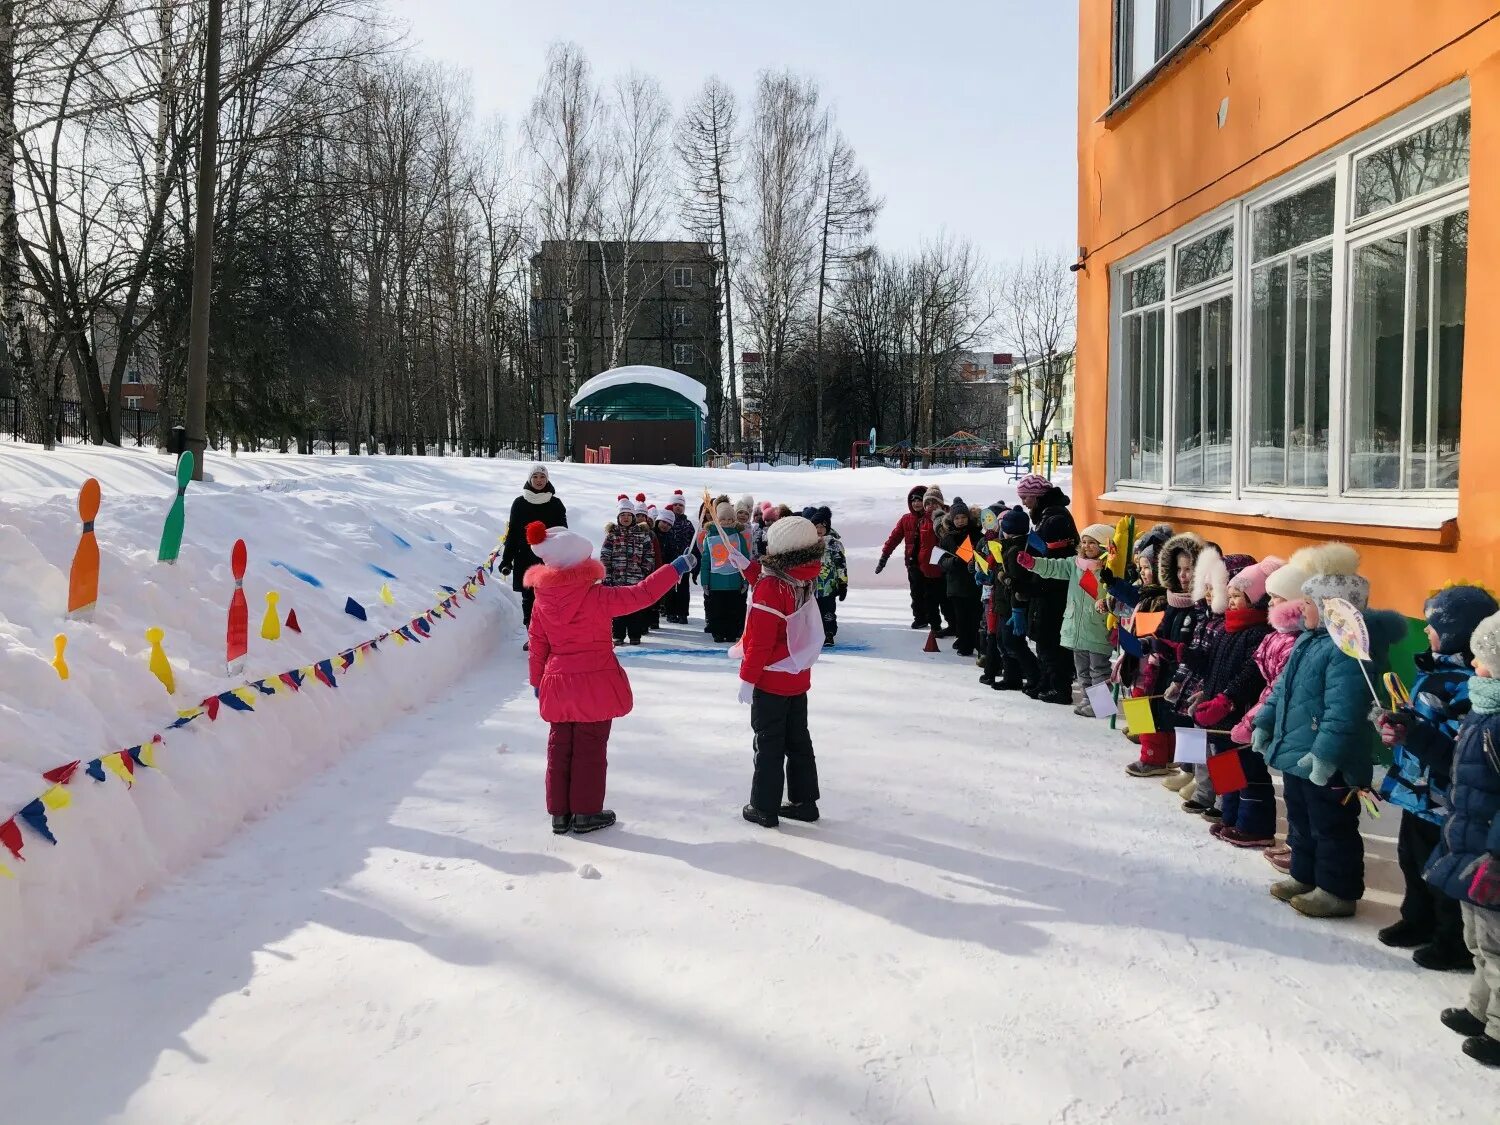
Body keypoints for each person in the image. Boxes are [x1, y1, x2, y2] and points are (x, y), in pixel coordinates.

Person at [1253, 543, 1406, 918]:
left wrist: (1324, 755)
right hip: (1297, 753)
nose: (1300, 609)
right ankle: (1305, 875)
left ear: (1329, 608)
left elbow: (1345, 711)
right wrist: (1264, 722)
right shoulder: (1308, 641)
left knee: (1332, 826)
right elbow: (1282, 691)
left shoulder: (1348, 652)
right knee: (1301, 821)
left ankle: (1337, 890)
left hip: (1331, 761)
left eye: (1308, 602)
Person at [526, 521, 694, 835]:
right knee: (590, 747)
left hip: (558, 681)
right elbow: (640, 595)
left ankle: (560, 815)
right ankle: (586, 813)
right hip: (594, 682)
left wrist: (537, 681)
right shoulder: (596, 596)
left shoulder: (541, 601)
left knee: (559, 747)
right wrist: (674, 569)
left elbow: (537, 645)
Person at [1374, 584, 1497, 971]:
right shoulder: (1433, 670)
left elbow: (1459, 757)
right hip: (1418, 791)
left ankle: (1453, 942)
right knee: (1411, 860)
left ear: (1458, 631)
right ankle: (1417, 919)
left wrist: (1414, 734)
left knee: (1443, 872)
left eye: (1432, 625)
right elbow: (1420, 728)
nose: (1425, 631)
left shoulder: (1468, 687)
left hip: (1447, 802)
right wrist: (1395, 727)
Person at [1423, 608, 1500, 1068]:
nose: (1473, 666)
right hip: (1469, 843)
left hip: (1491, 854)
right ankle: (1480, 1009)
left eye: (1484, 658)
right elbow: (1455, 762)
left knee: (1496, 945)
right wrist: (1413, 736)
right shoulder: (1483, 708)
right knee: (1478, 938)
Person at [738, 515, 827, 828]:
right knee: (798, 740)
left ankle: (763, 806)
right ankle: (805, 802)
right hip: (797, 676)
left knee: (768, 744)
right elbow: (771, 582)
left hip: (770, 678)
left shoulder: (771, 588)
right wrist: (747, 568)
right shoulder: (803, 575)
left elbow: (759, 643)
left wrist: (747, 679)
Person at [1222, 559, 1305, 849]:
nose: (1229, 602)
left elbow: (1253, 678)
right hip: (1233, 709)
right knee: (1225, 763)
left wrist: (1232, 699)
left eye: (1236, 597)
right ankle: (1229, 813)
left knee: (1249, 771)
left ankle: (1252, 825)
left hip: (1249, 711)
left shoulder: (1261, 633)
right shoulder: (1238, 629)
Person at [1123, 532, 1205, 777]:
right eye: (1178, 569)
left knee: (1176, 719)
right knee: (1151, 710)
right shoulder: (1168, 598)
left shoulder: (1193, 605)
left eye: (1189, 569)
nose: (1183, 575)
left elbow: (1185, 642)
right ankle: (1157, 755)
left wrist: (1156, 643)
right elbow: (1157, 630)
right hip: (1149, 661)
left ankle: (1172, 764)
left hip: (1175, 669)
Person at [1019, 522, 1115, 714]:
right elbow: (1055, 567)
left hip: (1097, 627)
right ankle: (1088, 701)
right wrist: (1034, 563)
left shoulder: (1110, 569)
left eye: (1092, 543)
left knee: (1098, 669)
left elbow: (1115, 595)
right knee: (1082, 671)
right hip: (1076, 627)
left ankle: (1102, 706)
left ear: (1104, 545)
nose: (1087, 546)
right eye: (1084, 542)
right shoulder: (1074, 564)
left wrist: (1108, 602)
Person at [1015, 474, 1078, 704]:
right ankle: (1046, 681)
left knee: (1051, 639)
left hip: (1052, 589)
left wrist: (1033, 584)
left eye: (1026, 497)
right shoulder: (1046, 516)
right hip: (1044, 586)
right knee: (1043, 638)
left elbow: (1054, 558)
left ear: (1038, 496)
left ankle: (1059, 687)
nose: (1023, 502)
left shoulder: (1055, 519)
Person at [499, 464, 567, 633]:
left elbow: (563, 532)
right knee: (529, 598)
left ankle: (549, 635)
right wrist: (507, 560)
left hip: (548, 559)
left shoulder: (556, 503)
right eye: (535, 476)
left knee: (549, 598)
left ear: (547, 479)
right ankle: (532, 635)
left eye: (542, 477)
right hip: (525, 557)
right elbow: (513, 533)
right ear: (529, 479)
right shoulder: (519, 503)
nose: (539, 480)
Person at [599, 495, 657, 645]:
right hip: (616, 581)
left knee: (635, 609)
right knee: (618, 609)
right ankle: (618, 635)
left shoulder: (642, 534)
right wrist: (607, 576)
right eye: (622, 515)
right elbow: (605, 557)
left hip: (635, 580)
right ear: (618, 517)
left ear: (633, 517)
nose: (625, 518)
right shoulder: (612, 535)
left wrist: (644, 572)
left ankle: (635, 635)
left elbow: (649, 555)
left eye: (628, 515)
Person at [994, 506, 1039, 691]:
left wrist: (1016, 608)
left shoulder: (1015, 551)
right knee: (1004, 642)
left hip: (1011, 606)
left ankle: (1034, 675)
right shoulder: (1013, 547)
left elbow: (1015, 583)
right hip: (1005, 604)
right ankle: (1011, 676)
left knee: (1013, 644)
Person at [877, 485, 931, 629]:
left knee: (931, 593)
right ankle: (920, 618)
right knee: (916, 593)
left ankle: (933, 618)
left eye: (919, 500)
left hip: (931, 563)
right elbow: (894, 538)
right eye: (913, 500)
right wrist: (884, 557)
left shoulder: (932, 518)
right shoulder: (906, 519)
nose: (916, 503)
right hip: (913, 563)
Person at [700, 501, 753, 643]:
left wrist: (745, 580)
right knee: (717, 608)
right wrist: (705, 581)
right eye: (723, 519)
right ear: (717, 519)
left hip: (735, 580)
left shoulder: (738, 536)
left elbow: (744, 558)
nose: (726, 522)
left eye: (730, 519)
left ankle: (732, 632)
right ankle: (718, 632)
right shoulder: (710, 536)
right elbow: (705, 560)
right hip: (716, 581)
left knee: (734, 608)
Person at [937, 498, 983, 658]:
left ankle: (980, 645)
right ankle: (965, 645)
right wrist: (955, 561)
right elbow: (941, 562)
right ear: (951, 520)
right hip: (955, 586)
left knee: (976, 617)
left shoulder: (977, 535)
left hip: (975, 584)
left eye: (963, 517)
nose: (960, 521)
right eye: (957, 518)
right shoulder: (947, 538)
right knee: (961, 618)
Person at [807, 505, 848, 647]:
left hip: (828, 586)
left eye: (822, 527)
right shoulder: (807, 544)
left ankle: (828, 634)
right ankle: (813, 635)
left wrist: (843, 584)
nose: (819, 530)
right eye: (816, 526)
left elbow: (841, 565)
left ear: (827, 528)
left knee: (828, 611)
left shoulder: (834, 544)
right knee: (812, 612)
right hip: (811, 586)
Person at [916, 486, 952, 637]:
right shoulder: (922, 521)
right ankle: (935, 626)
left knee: (945, 601)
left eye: (934, 503)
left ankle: (952, 624)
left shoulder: (945, 520)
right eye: (928, 503)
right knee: (930, 602)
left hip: (941, 569)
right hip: (926, 568)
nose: (931, 506)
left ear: (941, 504)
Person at [663, 493, 696, 624]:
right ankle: (670, 612)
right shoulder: (667, 521)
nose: (678, 507)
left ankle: (682, 613)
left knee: (683, 588)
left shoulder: (688, 524)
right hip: (670, 561)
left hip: (685, 562)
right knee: (670, 587)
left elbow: (693, 543)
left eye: (681, 505)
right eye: (675, 504)